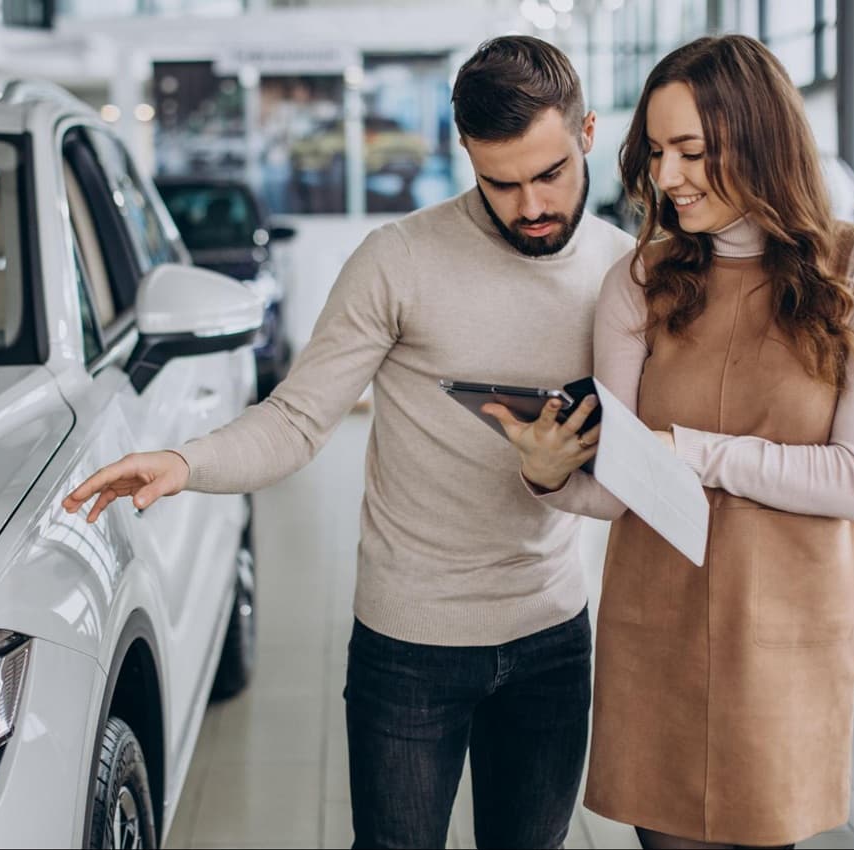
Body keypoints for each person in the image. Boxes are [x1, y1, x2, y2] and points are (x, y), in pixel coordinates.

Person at [64, 36, 634, 850]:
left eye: (549, 175)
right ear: (466, 154)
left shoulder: (625, 271)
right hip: (412, 646)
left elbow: (644, 452)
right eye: (499, 183)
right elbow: (298, 418)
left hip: (552, 635)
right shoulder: (397, 260)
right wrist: (188, 461)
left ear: (586, 136)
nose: (530, 205)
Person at [484, 35, 854, 850]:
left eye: (693, 151)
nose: (668, 178)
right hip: (659, 624)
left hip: (784, 633)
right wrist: (549, 480)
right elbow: (618, 485)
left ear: (760, 139)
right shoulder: (639, 281)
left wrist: (692, 450)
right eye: (655, 151)